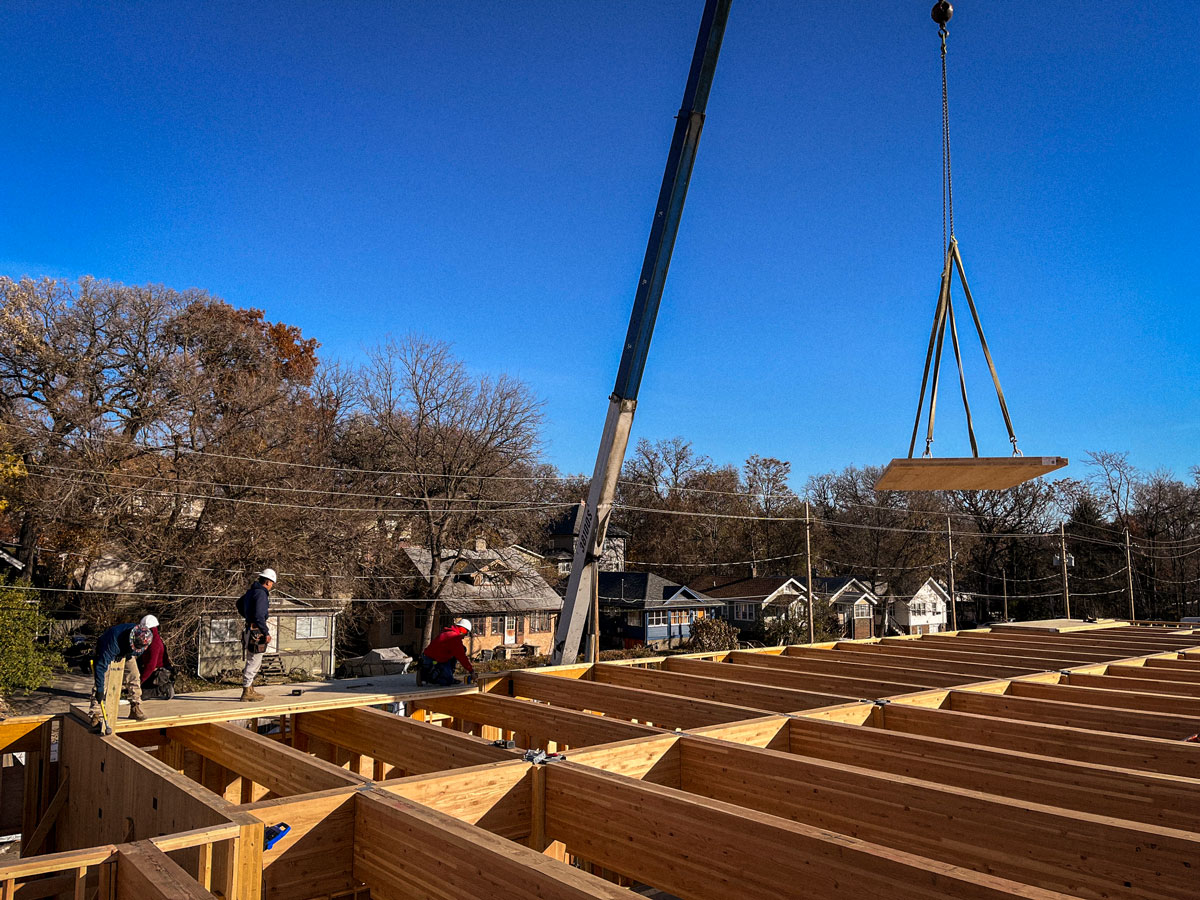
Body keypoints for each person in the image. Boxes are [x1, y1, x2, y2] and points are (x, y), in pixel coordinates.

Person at [89, 622, 153, 730]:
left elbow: (137, 652)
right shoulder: (111, 643)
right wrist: (100, 690)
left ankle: (135, 707)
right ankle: (95, 715)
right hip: (108, 649)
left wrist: (125, 654)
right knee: (102, 681)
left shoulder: (144, 637)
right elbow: (100, 667)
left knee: (134, 675)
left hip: (126, 651)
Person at [237, 568, 275, 702]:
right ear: (268, 582)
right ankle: (247, 691)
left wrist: (248, 616)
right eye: (272, 583)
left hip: (250, 629)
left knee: (251, 660)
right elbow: (259, 615)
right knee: (254, 661)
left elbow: (239, 604)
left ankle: (250, 689)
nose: (271, 586)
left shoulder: (251, 592)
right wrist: (266, 632)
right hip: (256, 632)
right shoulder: (261, 594)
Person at [419, 618, 475, 686]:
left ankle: (427, 673)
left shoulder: (447, 632)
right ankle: (428, 677)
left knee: (462, 649)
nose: (465, 636)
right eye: (466, 633)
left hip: (429, 658)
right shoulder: (454, 638)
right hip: (436, 661)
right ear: (462, 630)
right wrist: (471, 671)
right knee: (447, 681)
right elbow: (462, 657)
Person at [137, 614, 175, 700]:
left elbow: (151, 665)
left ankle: (164, 688)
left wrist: (140, 681)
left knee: (141, 695)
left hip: (160, 673)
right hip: (153, 671)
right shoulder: (149, 641)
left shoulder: (155, 644)